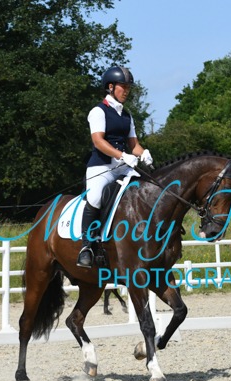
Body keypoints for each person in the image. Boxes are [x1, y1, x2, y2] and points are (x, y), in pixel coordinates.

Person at [77, 65, 154, 268]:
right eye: (123, 87)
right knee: (95, 198)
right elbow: (98, 141)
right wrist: (122, 155)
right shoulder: (98, 111)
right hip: (101, 167)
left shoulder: (127, 115)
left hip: (123, 167)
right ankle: (87, 246)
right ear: (110, 87)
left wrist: (143, 153)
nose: (127, 91)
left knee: (146, 191)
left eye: (128, 87)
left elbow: (134, 145)